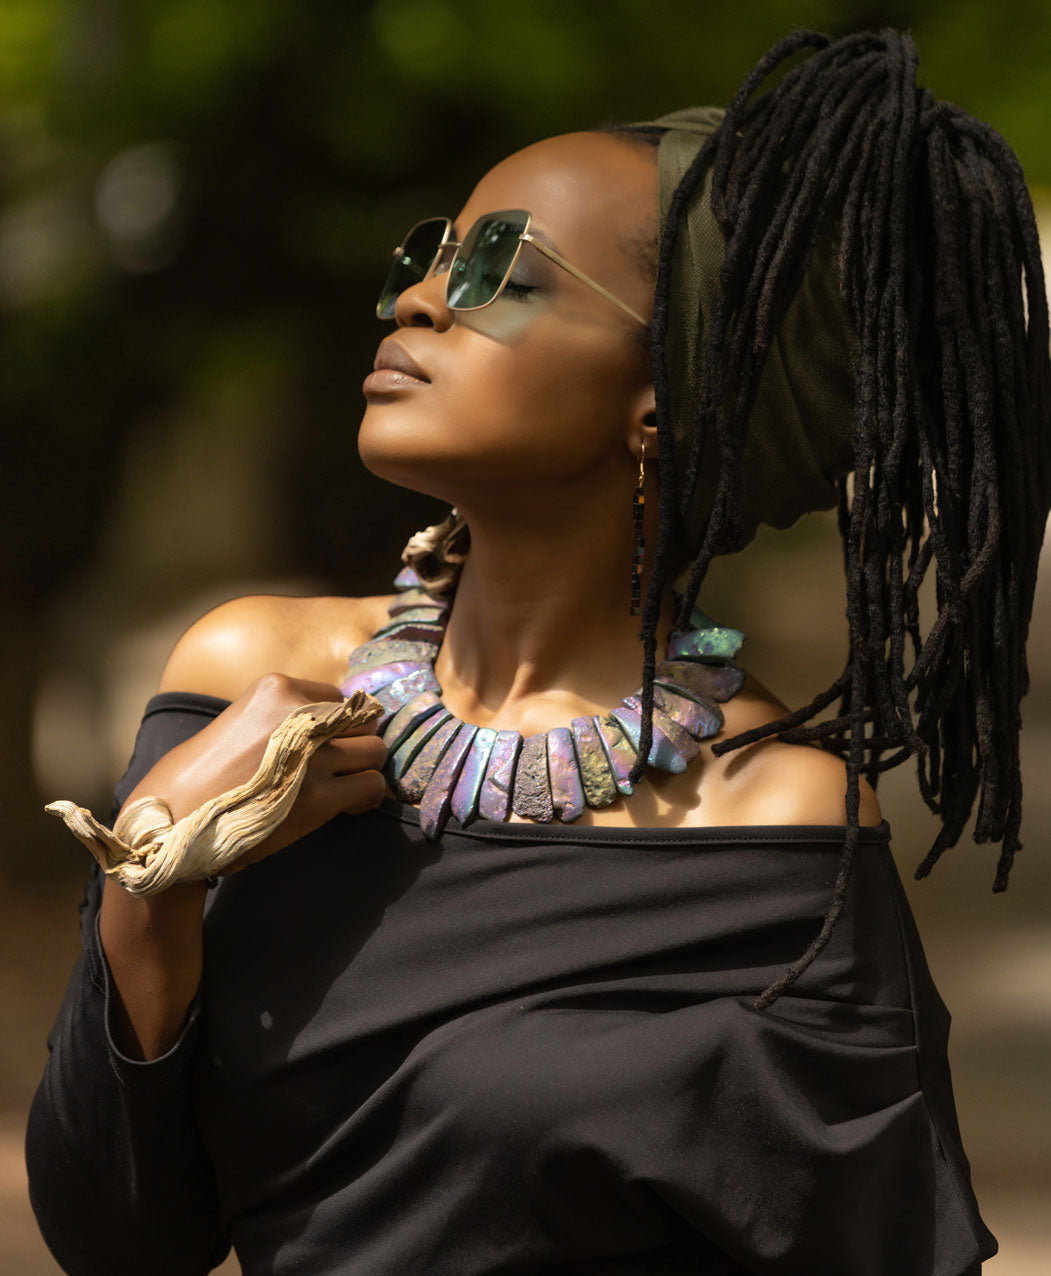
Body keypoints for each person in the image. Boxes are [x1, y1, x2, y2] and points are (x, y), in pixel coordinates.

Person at [26, 28, 1048, 1275]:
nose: (418, 298)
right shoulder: (243, 677)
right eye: (430, 254)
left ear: (660, 399)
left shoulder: (775, 826)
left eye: (500, 272)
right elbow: (117, 1239)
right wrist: (152, 884)